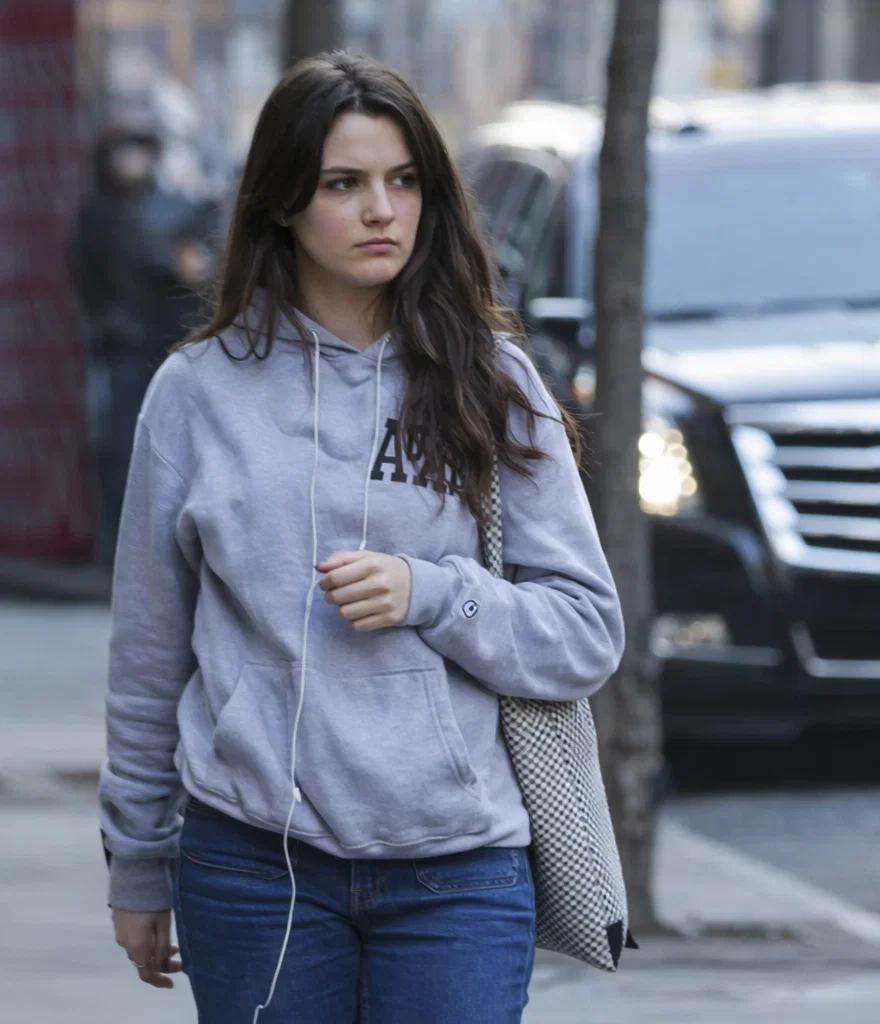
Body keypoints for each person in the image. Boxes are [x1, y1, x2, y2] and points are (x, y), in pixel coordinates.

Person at [98, 53, 623, 1023]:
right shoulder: (195, 394)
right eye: (344, 184)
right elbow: (146, 658)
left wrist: (434, 593)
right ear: (282, 202)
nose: (382, 210)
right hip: (252, 865)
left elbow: (587, 630)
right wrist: (136, 863)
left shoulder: (492, 381)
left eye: (404, 180)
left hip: (457, 870)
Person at [73, 113, 219, 563]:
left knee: (184, 447)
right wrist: (105, 321)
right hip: (124, 350)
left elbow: (201, 269)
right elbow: (86, 276)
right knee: (123, 448)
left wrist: (186, 265)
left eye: (140, 147)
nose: (131, 159)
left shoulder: (178, 209)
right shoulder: (97, 216)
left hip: (172, 345)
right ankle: (123, 550)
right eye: (124, 148)